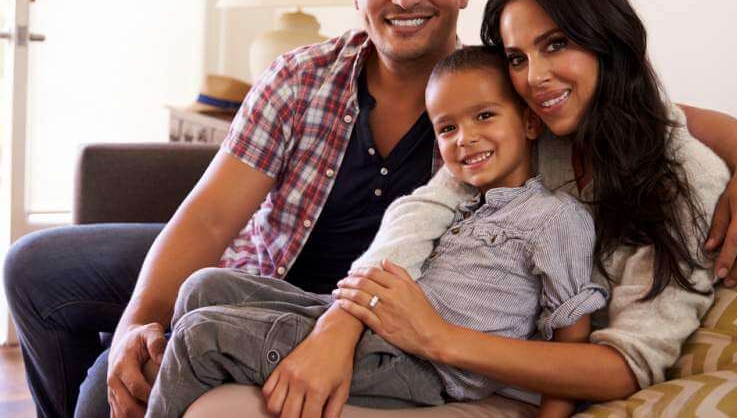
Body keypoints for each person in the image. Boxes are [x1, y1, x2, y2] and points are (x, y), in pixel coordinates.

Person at [1, 0, 737, 417]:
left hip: (406, 325)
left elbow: (639, 117)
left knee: (113, 385)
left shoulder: (502, 105)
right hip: (286, 275)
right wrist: (145, 316)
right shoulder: (312, 76)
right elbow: (209, 221)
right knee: (37, 268)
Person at [331, 0, 736, 404]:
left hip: (483, 380)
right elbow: (425, 208)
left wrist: (437, 338)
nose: (535, 78)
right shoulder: (535, 130)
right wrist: (339, 324)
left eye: (556, 44)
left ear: (608, 39)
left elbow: (627, 366)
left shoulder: (685, 180)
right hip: (415, 351)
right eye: (517, 58)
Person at [145, 46, 607, 418]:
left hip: (418, 367)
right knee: (203, 286)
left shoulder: (555, 218)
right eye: (447, 128)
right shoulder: (456, 200)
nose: (464, 137)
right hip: (372, 324)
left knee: (197, 336)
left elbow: (572, 337)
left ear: (529, 122)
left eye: (484, 116)